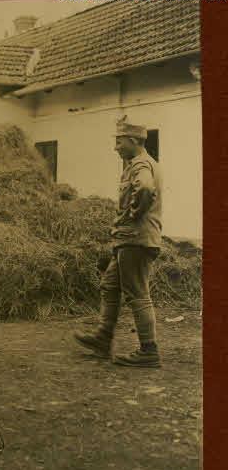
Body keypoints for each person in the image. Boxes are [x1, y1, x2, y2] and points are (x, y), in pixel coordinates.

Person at [74, 116, 163, 368]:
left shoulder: (140, 165)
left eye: (119, 141)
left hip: (136, 239)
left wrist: (133, 213)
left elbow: (144, 188)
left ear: (134, 141)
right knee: (110, 285)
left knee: (137, 294)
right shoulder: (137, 163)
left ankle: (149, 350)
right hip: (130, 240)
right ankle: (103, 338)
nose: (116, 147)